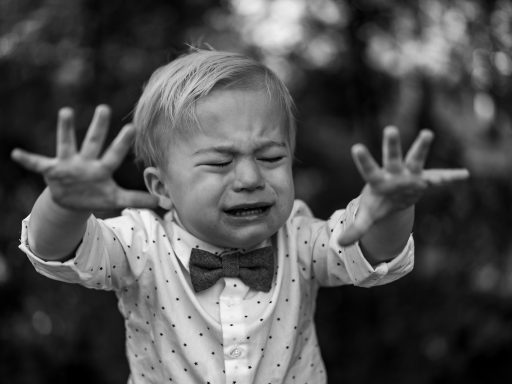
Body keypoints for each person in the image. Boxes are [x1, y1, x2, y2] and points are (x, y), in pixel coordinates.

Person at [11, 49, 468, 384]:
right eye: (219, 162)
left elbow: (371, 250)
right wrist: (64, 203)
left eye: (271, 157)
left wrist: (392, 208)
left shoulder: (301, 236)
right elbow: (57, 251)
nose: (250, 177)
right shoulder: (139, 242)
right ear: (161, 188)